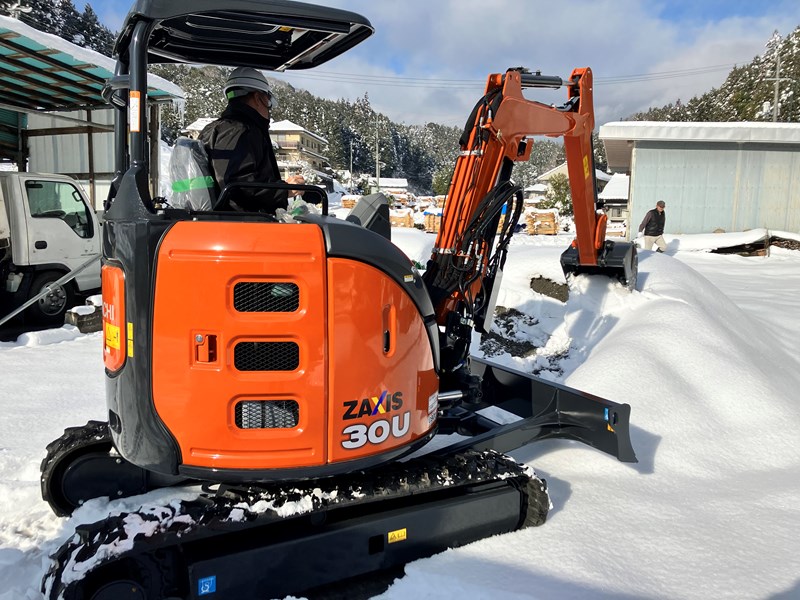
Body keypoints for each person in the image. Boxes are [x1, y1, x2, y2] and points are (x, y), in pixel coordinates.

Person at [199, 66, 304, 213]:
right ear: (257, 97)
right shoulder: (242, 130)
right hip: (244, 223)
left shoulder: (213, 129)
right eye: (268, 102)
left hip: (225, 219)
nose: (268, 110)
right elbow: (240, 184)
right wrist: (284, 190)